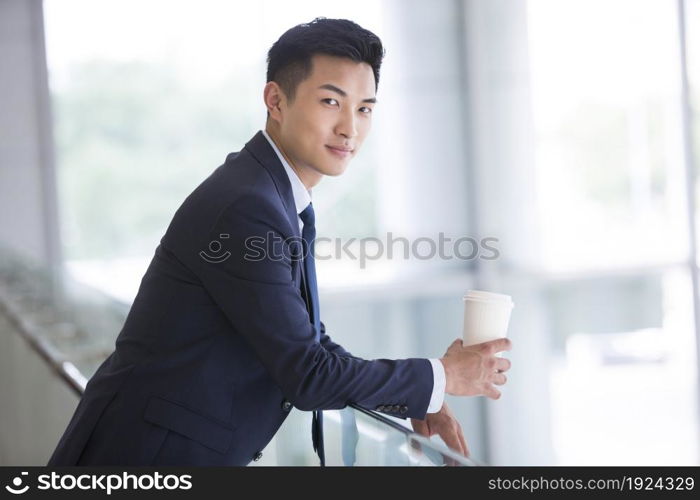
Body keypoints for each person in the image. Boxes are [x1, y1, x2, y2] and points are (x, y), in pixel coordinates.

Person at [47, 17, 511, 467]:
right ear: (276, 100)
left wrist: (419, 392)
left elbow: (310, 341)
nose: (350, 127)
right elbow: (307, 373)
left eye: (365, 108)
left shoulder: (274, 194)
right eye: (331, 102)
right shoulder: (248, 206)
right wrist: (444, 374)